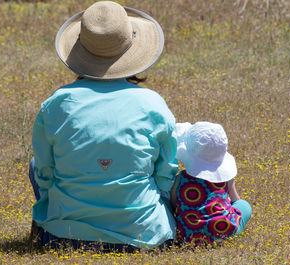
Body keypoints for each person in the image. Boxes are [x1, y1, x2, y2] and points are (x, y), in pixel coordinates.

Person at [29, 1, 179, 250]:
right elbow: (166, 173)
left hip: (64, 236)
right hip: (144, 236)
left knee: (36, 166)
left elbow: (45, 173)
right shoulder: (152, 103)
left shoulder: (57, 104)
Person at [170, 122, 252, 246]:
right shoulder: (225, 178)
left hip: (187, 234)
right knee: (244, 205)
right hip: (223, 230)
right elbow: (236, 200)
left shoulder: (180, 179)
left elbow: (174, 205)